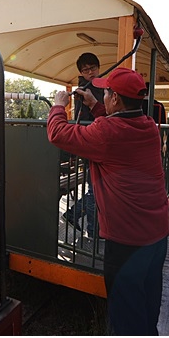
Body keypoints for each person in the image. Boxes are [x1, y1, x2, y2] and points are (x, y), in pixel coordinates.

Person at [47, 67, 169, 335]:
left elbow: (57, 134)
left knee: (126, 317)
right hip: (157, 236)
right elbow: (116, 130)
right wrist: (95, 108)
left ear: (114, 98)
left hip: (127, 242)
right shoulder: (148, 126)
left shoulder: (107, 132)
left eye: (105, 93)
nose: (102, 96)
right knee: (147, 307)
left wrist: (58, 106)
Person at [60, 52, 103, 237]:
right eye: (86, 70)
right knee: (96, 190)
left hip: (100, 143)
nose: (90, 72)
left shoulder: (102, 87)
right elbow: (80, 119)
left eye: (93, 68)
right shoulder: (82, 91)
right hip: (92, 144)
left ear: (99, 68)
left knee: (98, 189)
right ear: (81, 72)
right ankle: (93, 232)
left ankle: (74, 214)